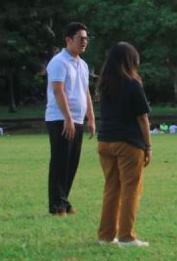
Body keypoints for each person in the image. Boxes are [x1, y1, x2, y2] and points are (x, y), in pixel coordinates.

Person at [96, 42, 152, 247]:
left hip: (105, 142)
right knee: (130, 189)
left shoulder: (104, 84)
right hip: (128, 143)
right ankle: (127, 236)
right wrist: (148, 146)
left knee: (112, 188)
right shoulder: (132, 84)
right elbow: (142, 118)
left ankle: (106, 235)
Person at [45, 22, 95, 217]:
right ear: (68, 40)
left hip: (77, 119)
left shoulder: (82, 64)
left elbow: (86, 92)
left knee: (72, 163)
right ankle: (56, 205)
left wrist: (90, 117)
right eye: (80, 38)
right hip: (60, 118)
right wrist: (67, 118)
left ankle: (63, 201)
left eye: (86, 39)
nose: (84, 42)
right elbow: (58, 91)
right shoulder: (59, 62)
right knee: (60, 161)